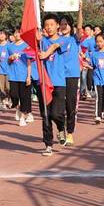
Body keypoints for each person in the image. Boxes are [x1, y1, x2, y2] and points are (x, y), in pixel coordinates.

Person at [38, 13, 68, 156]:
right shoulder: (41, 41)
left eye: (51, 25)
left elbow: (56, 45)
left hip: (58, 82)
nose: (49, 28)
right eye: (46, 25)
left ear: (57, 26)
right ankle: (48, 144)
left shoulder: (64, 40)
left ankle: (62, 128)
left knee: (56, 113)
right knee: (46, 114)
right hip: (44, 82)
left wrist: (46, 53)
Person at [59, 2, 83, 146]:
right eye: (61, 24)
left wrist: (80, 9)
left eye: (66, 23)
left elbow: (80, 27)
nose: (63, 26)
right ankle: (60, 129)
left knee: (70, 105)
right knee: (58, 106)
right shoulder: (55, 39)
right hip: (58, 76)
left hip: (72, 75)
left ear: (71, 25)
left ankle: (70, 133)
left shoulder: (75, 39)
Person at [7, 27, 32, 126]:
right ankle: (17, 108)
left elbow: (29, 62)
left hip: (23, 75)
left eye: (19, 33)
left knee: (24, 97)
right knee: (14, 95)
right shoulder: (10, 46)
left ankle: (22, 117)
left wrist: (29, 76)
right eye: (15, 33)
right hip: (13, 75)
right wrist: (10, 58)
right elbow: (8, 61)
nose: (17, 35)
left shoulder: (27, 45)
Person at [0, 30, 11, 110]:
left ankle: (9, 98)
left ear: (6, 36)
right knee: (1, 88)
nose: (1, 36)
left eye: (3, 34)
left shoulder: (9, 45)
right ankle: (3, 102)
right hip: (1, 70)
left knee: (8, 87)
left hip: (9, 70)